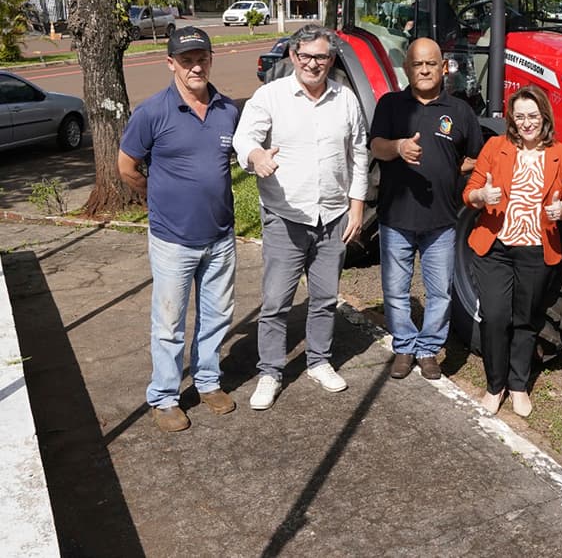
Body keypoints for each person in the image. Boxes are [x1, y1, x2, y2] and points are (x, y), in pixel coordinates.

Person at [233, 24, 368, 410]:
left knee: (325, 297)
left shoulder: (345, 99)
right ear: (293, 56)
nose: (313, 63)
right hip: (285, 216)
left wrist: (357, 205)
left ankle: (319, 361)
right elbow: (245, 138)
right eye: (305, 55)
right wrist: (255, 156)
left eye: (321, 57)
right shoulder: (271, 96)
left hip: (333, 216)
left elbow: (359, 152)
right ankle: (270, 371)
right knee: (276, 301)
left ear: (331, 59)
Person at [117, 26, 240, 433]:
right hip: (173, 240)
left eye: (201, 58)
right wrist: (155, 195)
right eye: (186, 60)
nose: (195, 67)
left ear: (211, 59)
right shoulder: (152, 112)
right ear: (171, 64)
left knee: (216, 316)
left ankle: (207, 382)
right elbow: (126, 167)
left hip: (220, 237)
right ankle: (165, 397)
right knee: (169, 324)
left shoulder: (228, 110)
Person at [369, 38, 484, 380]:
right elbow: (376, 146)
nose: (424, 70)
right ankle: (405, 346)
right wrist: (399, 147)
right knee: (395, 290)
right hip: (396, 218)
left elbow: (476, 156)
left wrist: (449, 167)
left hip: (441, 220)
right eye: (417, 64)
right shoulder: (390, 105)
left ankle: (429, 349)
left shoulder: (460, 111)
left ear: (443, 67)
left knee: (439, 293)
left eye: (431, 64)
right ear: (407, 69)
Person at [463, 85, 562, 417]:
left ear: (544, 117)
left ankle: (517, 385)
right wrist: (481, 197)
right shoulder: (495, 147)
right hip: (495, 247)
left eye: (533, 116)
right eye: (520, 116)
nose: (527, 123)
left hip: (536, 249)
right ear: (512, 119)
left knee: (526, 319)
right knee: (495, 317)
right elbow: (469, 192)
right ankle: (495, 385)